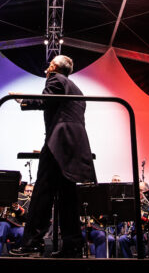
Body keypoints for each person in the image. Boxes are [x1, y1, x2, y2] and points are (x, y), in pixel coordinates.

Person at [10, 55, 96, 258]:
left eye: (50, 65)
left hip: (58, 142)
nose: (47, 68)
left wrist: (22, 99)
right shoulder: (77, 88)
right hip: (73, 145)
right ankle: (73, 245)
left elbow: (45, 101)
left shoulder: (55, 79)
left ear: (54, 67)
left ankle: (32, 243)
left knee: (42, 192)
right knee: (68, 196)